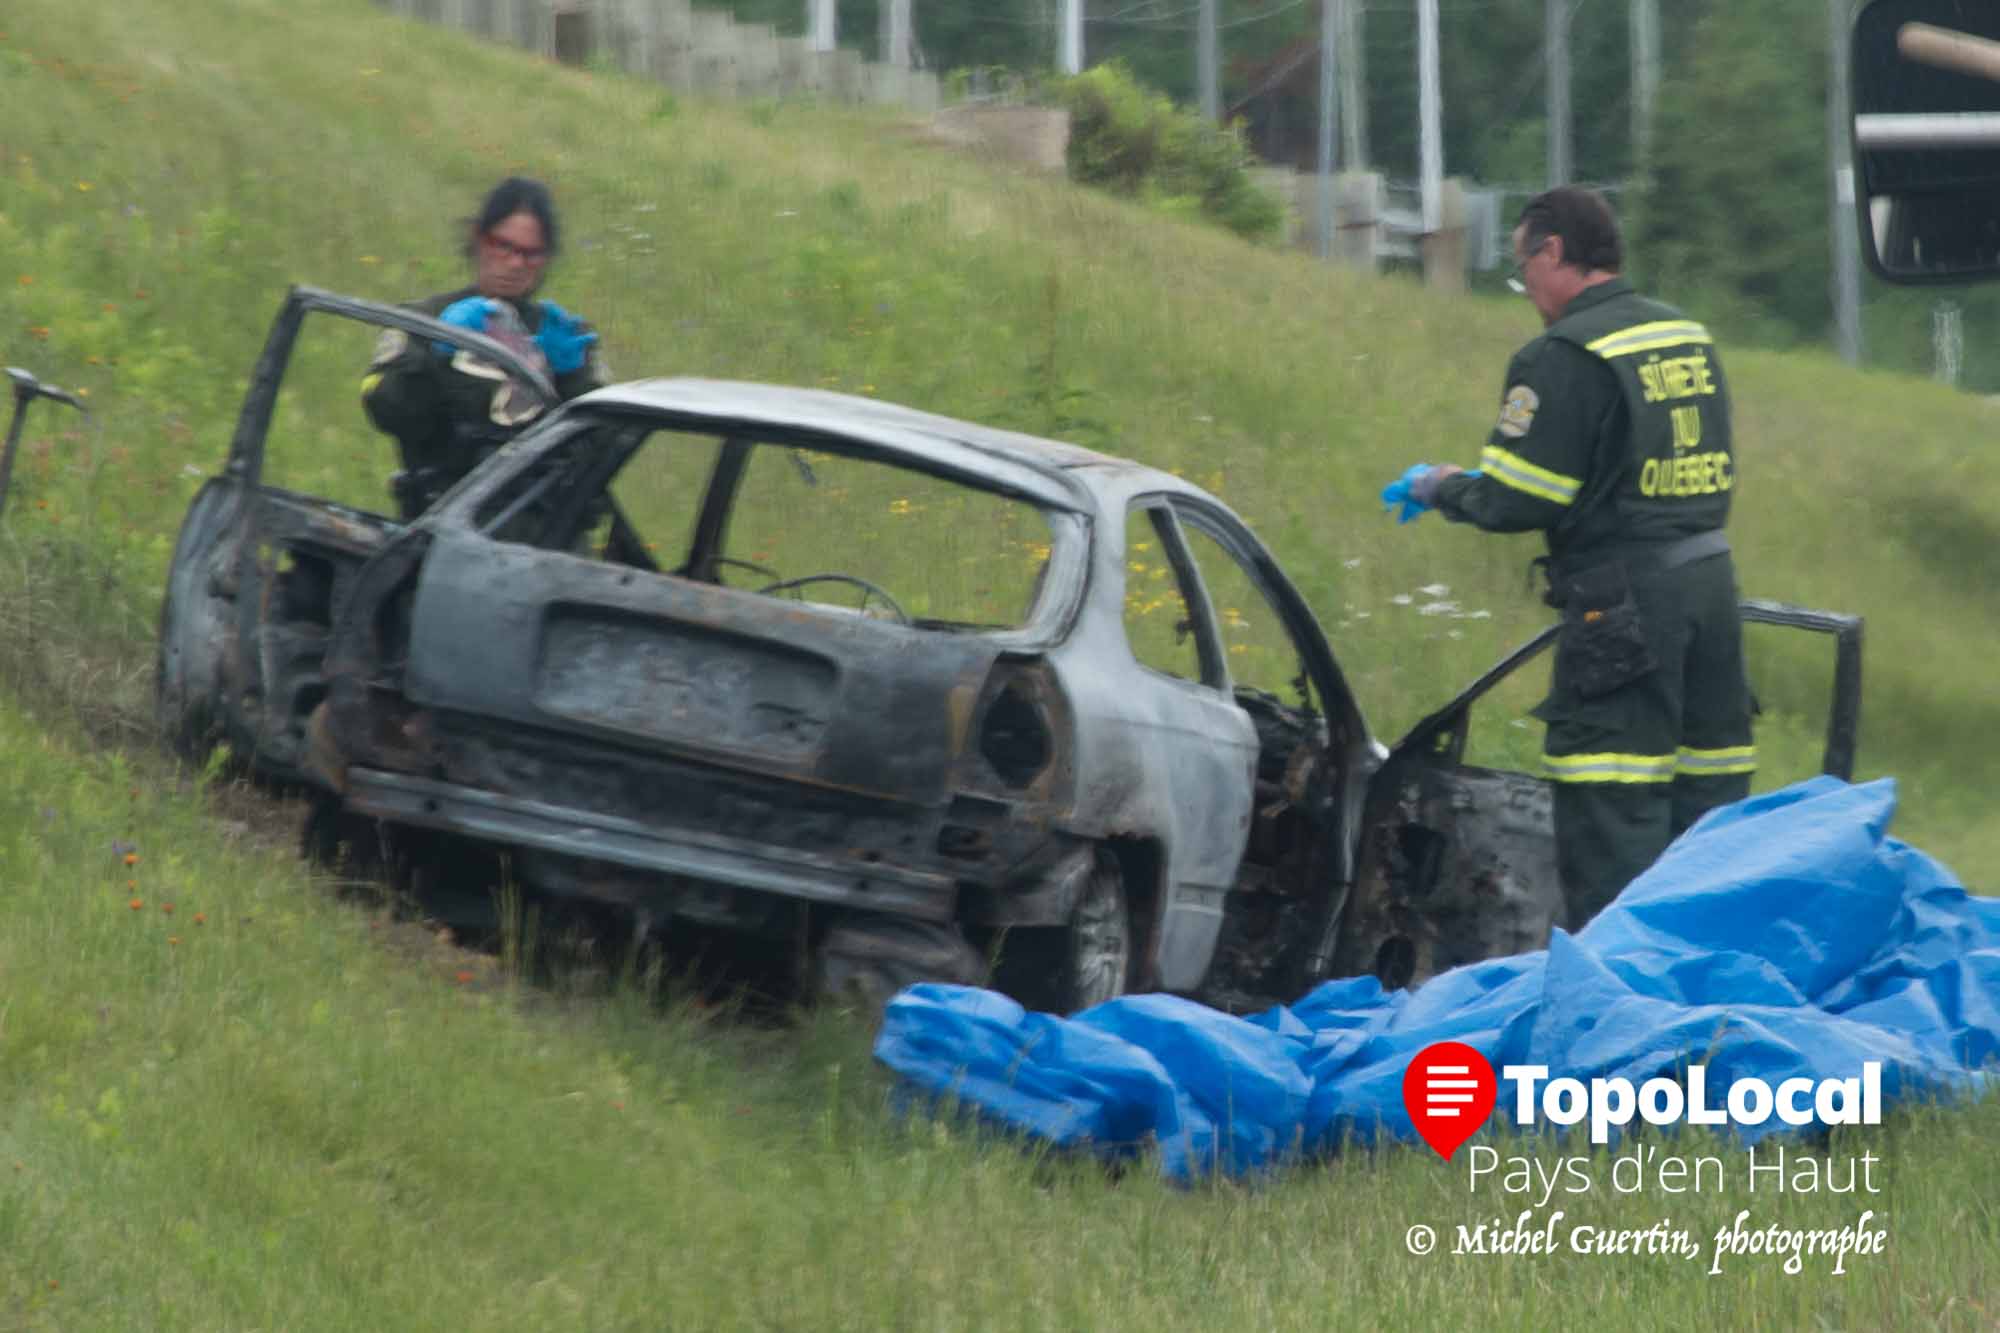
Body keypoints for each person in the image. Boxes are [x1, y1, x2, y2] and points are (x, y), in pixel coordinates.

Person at [1382, 185, 1754, 929]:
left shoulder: (1560, 355)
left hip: (1627, 600)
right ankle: (1711, 984)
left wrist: (1443, 486)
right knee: (1712, 805)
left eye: (1523, 272)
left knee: (1610, 804)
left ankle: (1625, 1006)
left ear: (1553, 252)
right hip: (1712, 587)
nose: (1527, 295)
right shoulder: (1684, 334)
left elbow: (1523, 497)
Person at [362, 176, 606, 518]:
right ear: (479, 239)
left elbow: (601, 452)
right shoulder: (423, 321)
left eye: (531, 254)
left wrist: (571, 379)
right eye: (503, 246)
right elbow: (386, 407)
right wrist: (438, 349)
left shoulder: (563, 336)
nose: (516, 263)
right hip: (440, 521)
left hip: (544, 534)